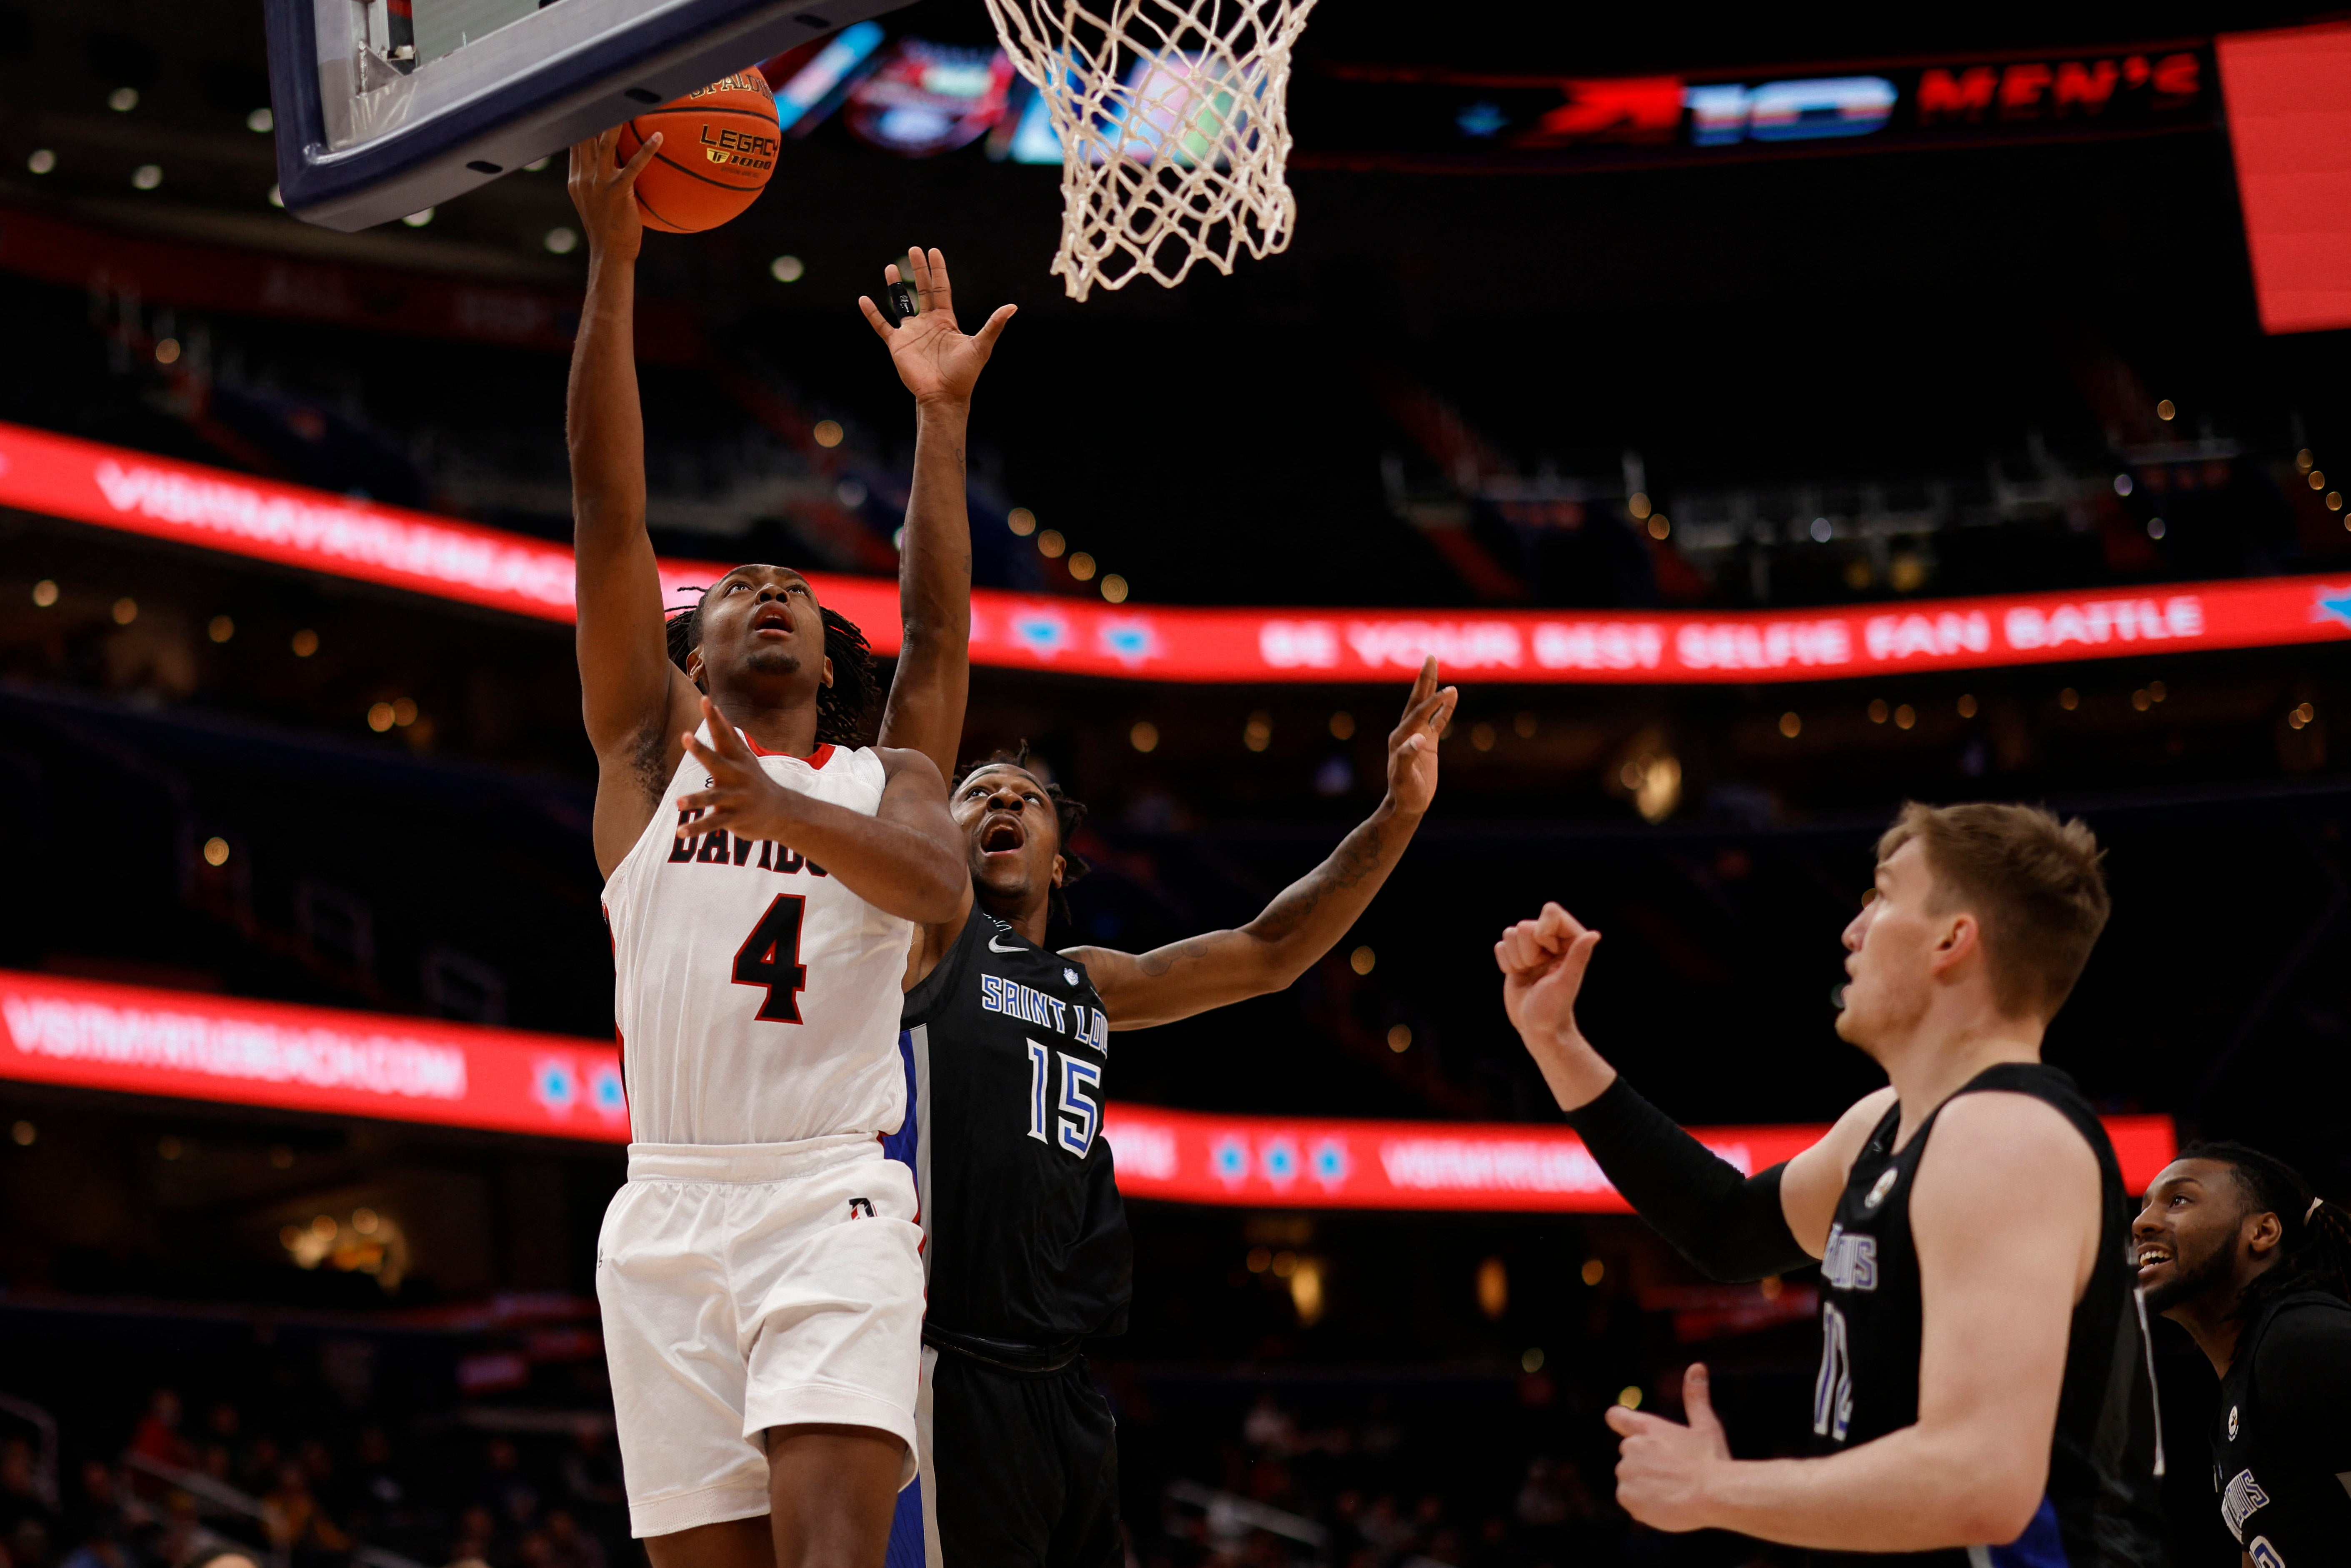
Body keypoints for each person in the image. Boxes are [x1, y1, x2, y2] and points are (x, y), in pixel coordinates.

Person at [849, 249, 1456, 1568]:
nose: (994, 806)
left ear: (1064, 858)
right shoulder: (922, 939)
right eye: (972, 795)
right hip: (945, 1370)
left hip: (1071, 1386)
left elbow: (1273, 947)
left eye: (1022, 799)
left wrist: (1395, 817)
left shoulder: (1094, 987)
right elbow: (930, 648)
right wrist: (938, 423)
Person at [565, 127, 992, 1568]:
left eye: (793, 587)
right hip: (664, 1200)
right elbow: (605, 508)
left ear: (825, 652)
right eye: (736, 585)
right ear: (684, 651)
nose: (765, 591)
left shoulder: (894, 774)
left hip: (831, 1194)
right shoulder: (644, 757)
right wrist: (615, 267)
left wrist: (939, 419)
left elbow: (939, 883)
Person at [1493, 801, 2168, 1563]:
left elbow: (1980, 1482)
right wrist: (1555, 1041)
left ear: (1953, 938)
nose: (1852, 931)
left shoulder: (2006, 1136)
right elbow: (1727, 1224)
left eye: (1881, 896)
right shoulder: (1889, 1121)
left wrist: (1713, 1488)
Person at [2133, 1141, 2351, 1560]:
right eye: (2144, 1206)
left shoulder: (2300, 1343)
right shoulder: (2243, 1385)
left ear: (2262, 1232)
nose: (2141, 1222)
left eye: (2178, 1199)